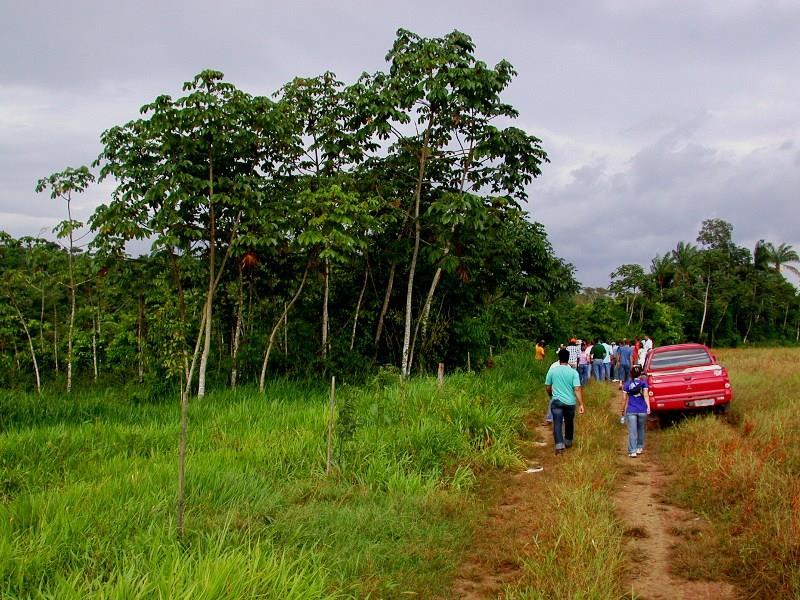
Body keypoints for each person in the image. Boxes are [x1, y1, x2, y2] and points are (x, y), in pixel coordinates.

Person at [545, 348, 585, 455]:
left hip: (557, 401)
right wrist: (581, 404)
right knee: (569, 422)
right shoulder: (573, 372)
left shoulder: (553, 371)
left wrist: (551, 395)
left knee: (557, 423)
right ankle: (568, 441)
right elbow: (577, 389)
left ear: (559, 358)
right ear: (568, 359)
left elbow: (548, 386)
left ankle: (559, 446)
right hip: (570, 402)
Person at [620, 364, 650, 457]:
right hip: (642, 410)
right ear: (640, 374)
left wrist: (622, 410)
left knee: (632, 431)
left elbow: (624, 399)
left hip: (631, 410)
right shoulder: (643, 383)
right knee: (641, 429)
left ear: (631, 374)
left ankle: (632, 451)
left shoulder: (627, 384)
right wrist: (648, 407)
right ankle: (639, 447)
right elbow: (646, 396)